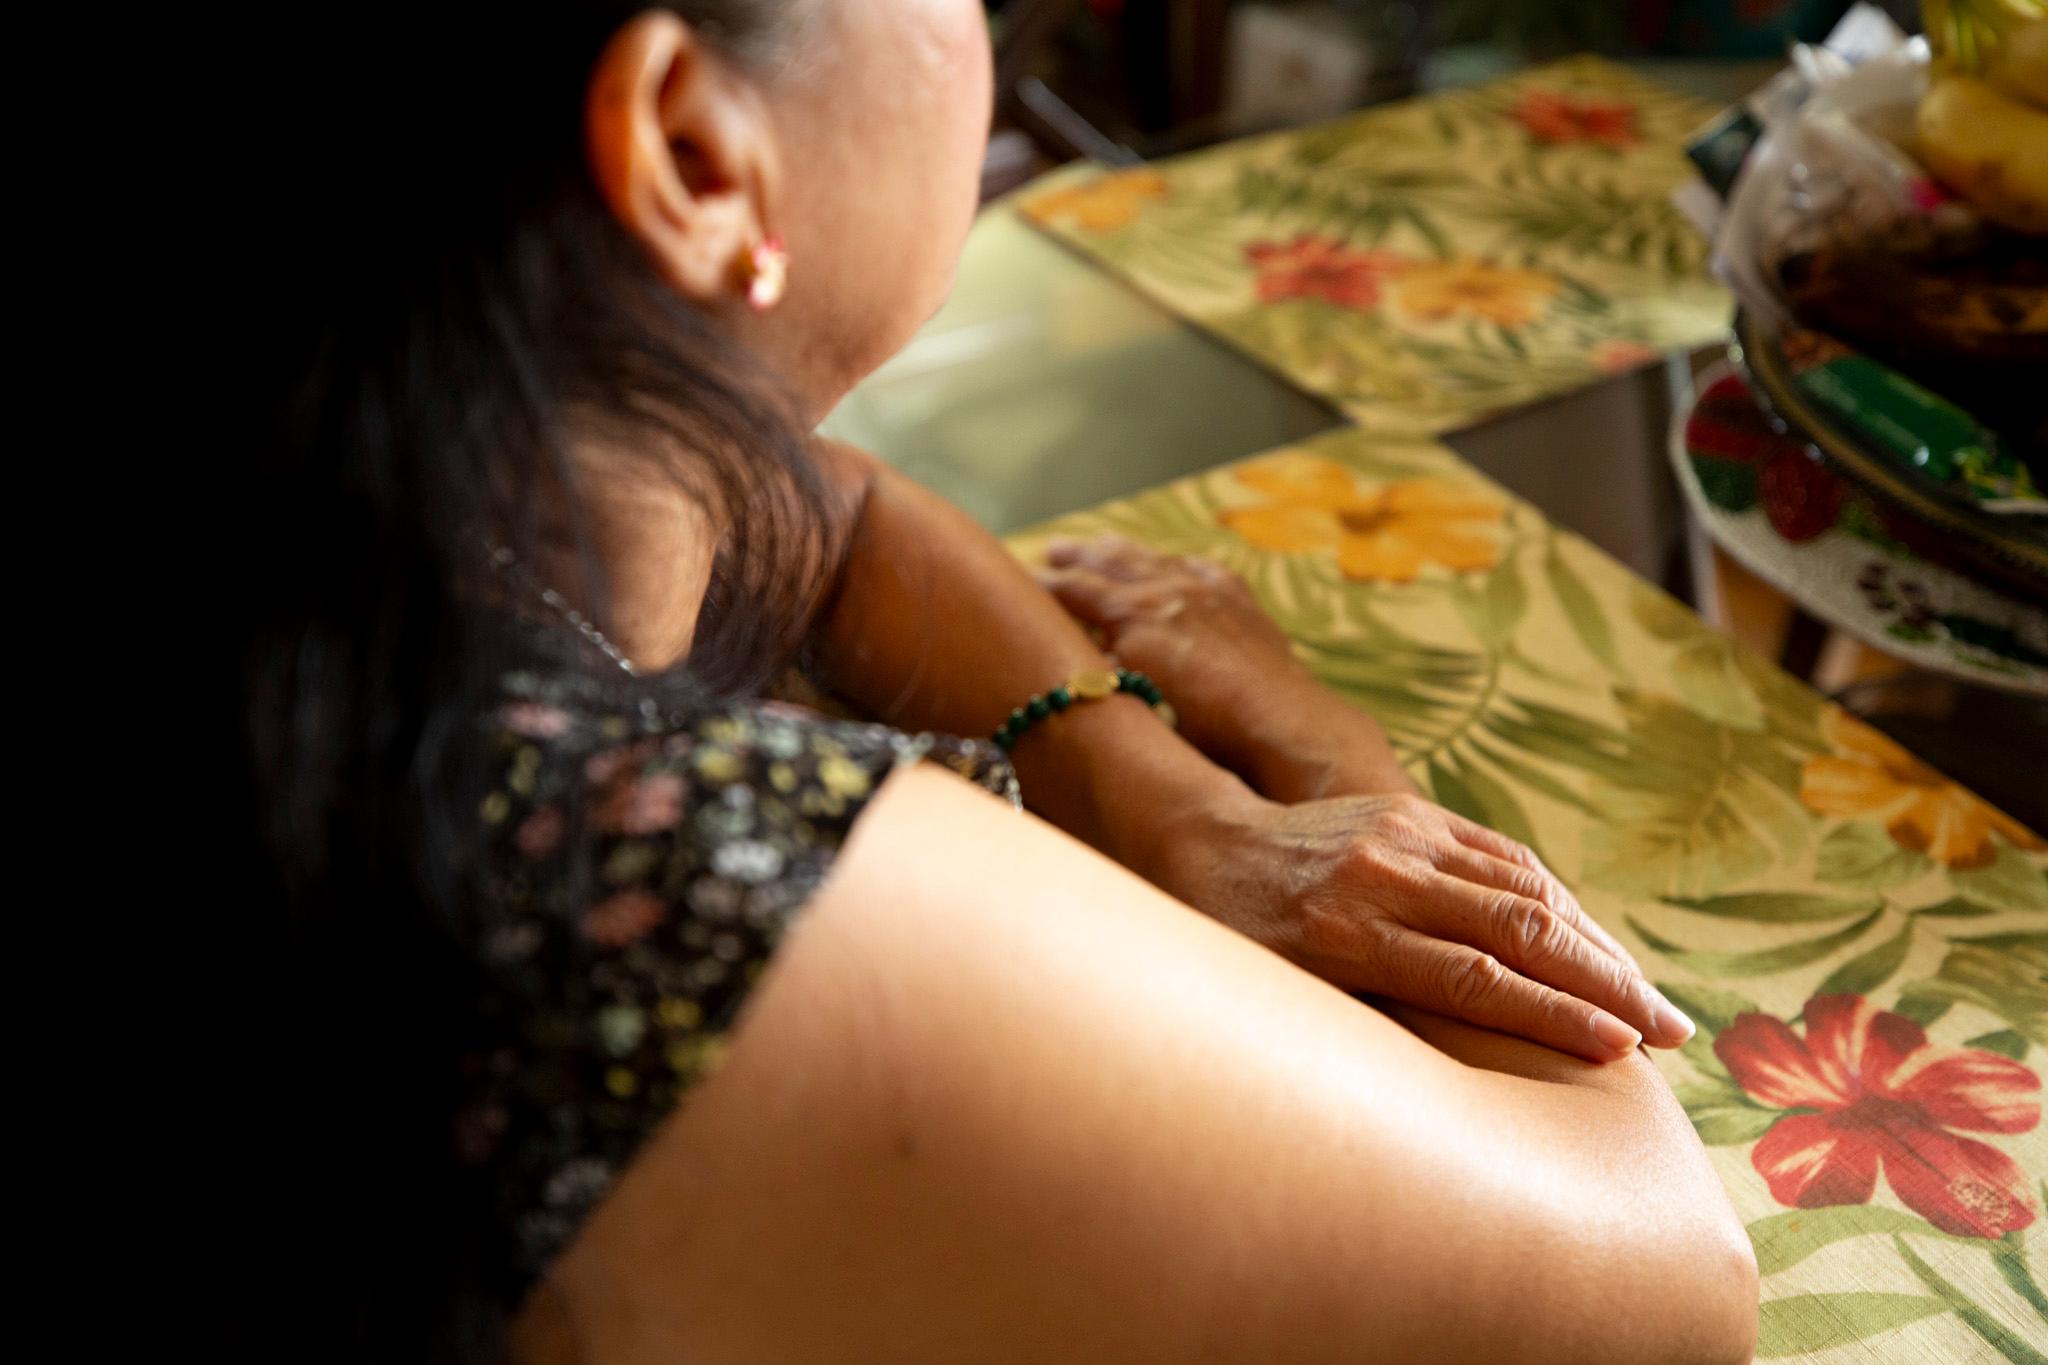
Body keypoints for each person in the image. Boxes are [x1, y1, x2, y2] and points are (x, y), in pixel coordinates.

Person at [207, 2, 1757, 1359]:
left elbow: (827, 507)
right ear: (690, 151)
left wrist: (1164, 797)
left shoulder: (406, 495)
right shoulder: (676, 885)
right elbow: (1666, 1279)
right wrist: (1325, 746)